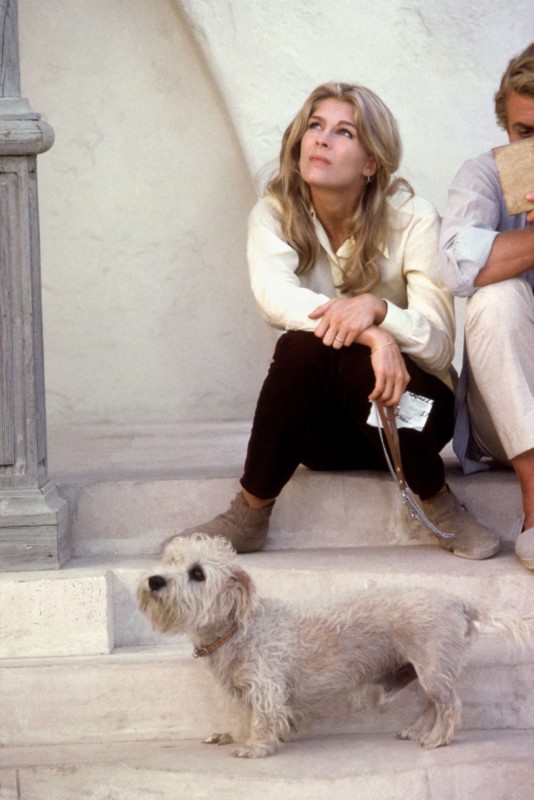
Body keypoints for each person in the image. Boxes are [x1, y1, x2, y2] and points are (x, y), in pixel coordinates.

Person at [165, 82, 500, 560]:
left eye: (344, 132)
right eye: (315, 126)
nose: (321, 138)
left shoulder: (413, 218)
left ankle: (439, 502)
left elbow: (439, 346)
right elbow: (275, 300)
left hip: (416, 419)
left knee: (336, 352)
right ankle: (249, 516)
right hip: (323, 435)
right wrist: (375, 335)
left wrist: (379, 308)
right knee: (304, 346)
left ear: (371, 163)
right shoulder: (274, 214)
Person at [439, 43, 534, 571]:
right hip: (505, 416)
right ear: (506, 129)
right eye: (526, 133)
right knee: (495, 296)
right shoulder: (484, 174)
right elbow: (457, 269)